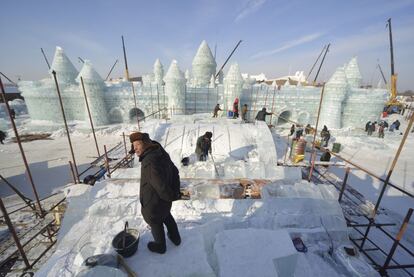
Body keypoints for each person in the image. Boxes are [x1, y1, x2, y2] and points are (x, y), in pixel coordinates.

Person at [130, 132, 181, 254]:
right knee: (166, 215)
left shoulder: (149, 161)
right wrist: (174, 190)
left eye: (137, 144)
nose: (135, 148)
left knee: (155, 221)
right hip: (164, 200)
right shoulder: (160, 151)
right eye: (133, 145)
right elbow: (174, 170)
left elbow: (160, 185)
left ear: (146, 144)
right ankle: (176, 239)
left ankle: (160, 246)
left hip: (153, 202)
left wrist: (172, 195)